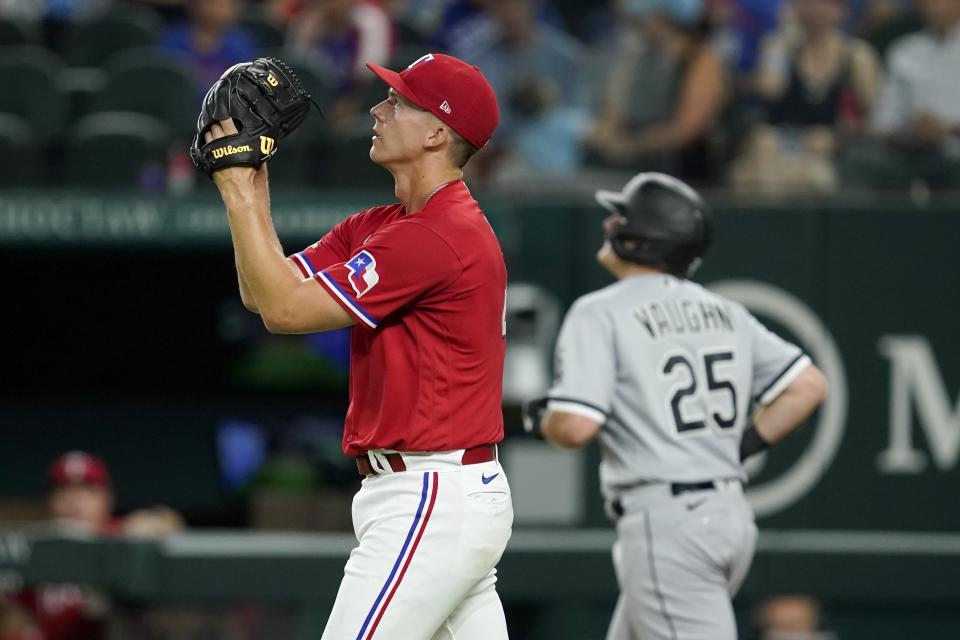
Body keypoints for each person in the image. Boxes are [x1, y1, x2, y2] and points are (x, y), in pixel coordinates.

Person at [202, 52, 512, 639]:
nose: (378, 109)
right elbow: (262, 291)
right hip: (436, 492)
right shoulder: (382, 224)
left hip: (430, 494)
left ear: (436, 132)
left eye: (397, 101)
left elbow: (285, 312)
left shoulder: (438, 236)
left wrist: (239, 192)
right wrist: (251, 193)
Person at [523, 172, 828, 640]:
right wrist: (735, 448)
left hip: (668, 525)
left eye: (620, 216)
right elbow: (807, 385)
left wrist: (543, 417)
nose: (609, 224)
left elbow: (576, 427)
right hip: (726, 515)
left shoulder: (600, 309)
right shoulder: (725, 310)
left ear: (640, 237)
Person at [731, 0, 881, 194]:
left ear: (842, 10)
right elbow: (770, 88)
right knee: (757, 162)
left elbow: (872, 116)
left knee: (810, 175)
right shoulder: (779, 46)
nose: (816, 9)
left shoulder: (856, 56)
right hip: (780, 145)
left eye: (827, 4)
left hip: (831, 149)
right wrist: (784, 42)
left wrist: (836, 140)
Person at [584, 0, 728, 182]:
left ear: (664, 20)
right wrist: (607, 132)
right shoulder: (638, 55)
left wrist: (633, 145)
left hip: (684, 169)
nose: (641, 23)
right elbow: (616, 107)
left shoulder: (702, 61)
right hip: (637, 157)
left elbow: (686, 130)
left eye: (648, 16)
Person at [845, 0, 960, 189]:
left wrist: (947, 129)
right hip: (910, 150)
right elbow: (882, 124)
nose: (932, 5)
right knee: (858, 159)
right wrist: (910, 131)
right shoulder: (904, 52)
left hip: (954, 148)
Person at [161, 0, 261, 96]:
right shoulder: (174, 39)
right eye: (213, 3)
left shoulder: (242, 42)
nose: (220, 9)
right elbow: (167, 81)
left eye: (227, 4)